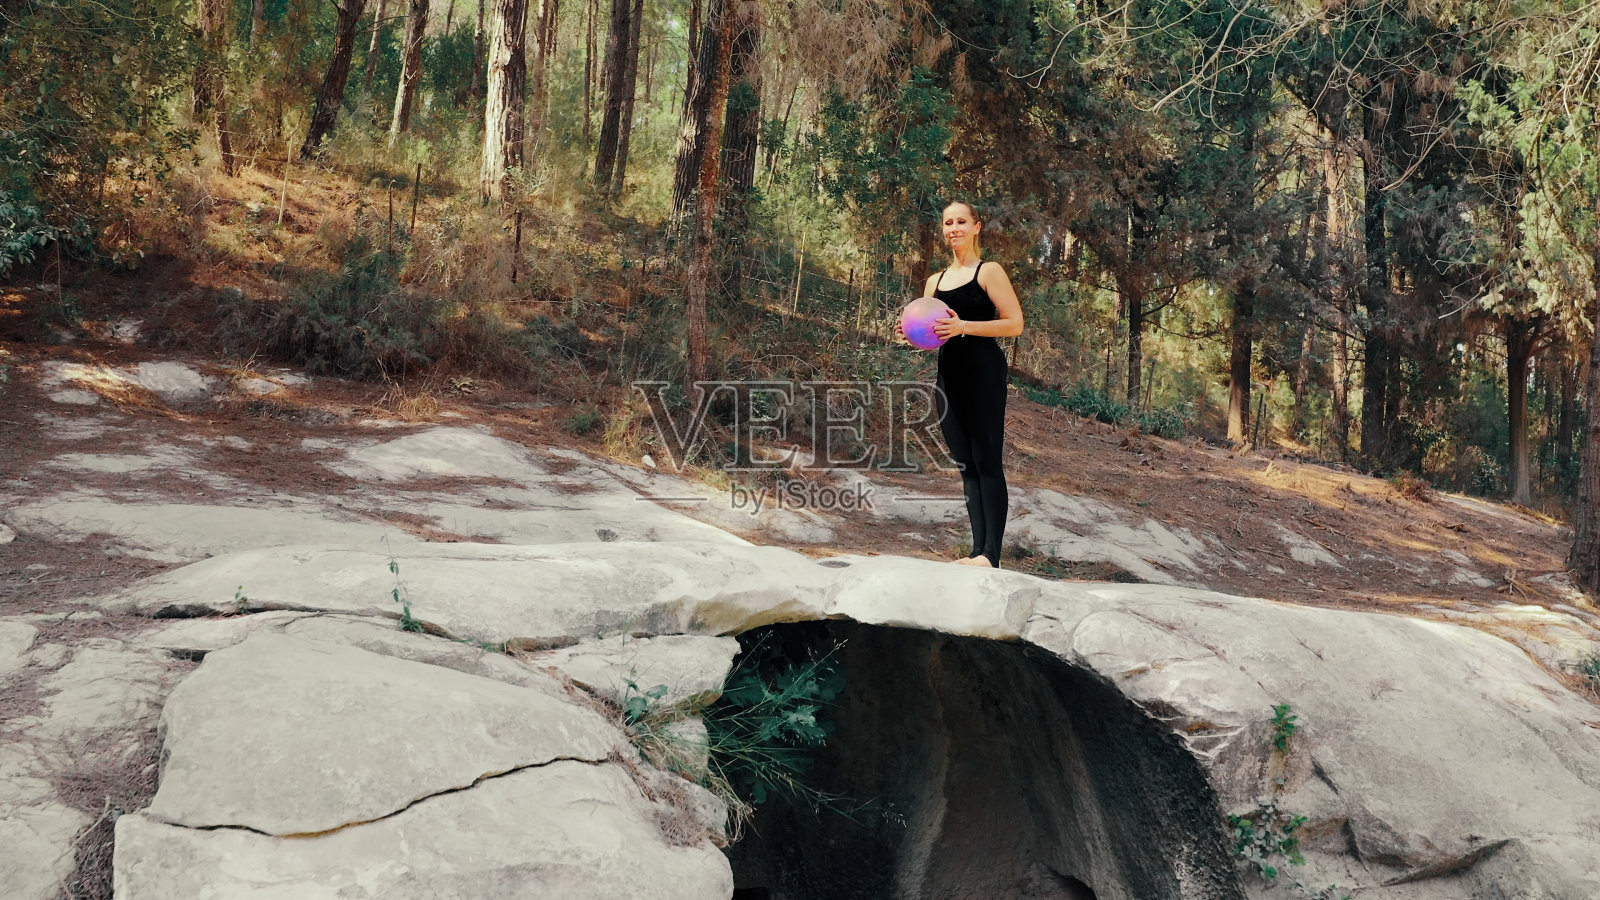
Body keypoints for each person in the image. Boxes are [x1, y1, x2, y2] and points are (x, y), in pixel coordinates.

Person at [902, 200, 1024, 568]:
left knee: (987, 461)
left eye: (961, 222)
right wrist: (908, 334)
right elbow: (930, 334)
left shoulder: (989, 272)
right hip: (948, 376)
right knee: (966, 464)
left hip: (983, 373)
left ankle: (991, 555)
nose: (953, 228)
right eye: (948, 223)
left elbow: (1015, 323)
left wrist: (964, 326)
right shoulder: (934, 282)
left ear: (976, 227)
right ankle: (977, 552)